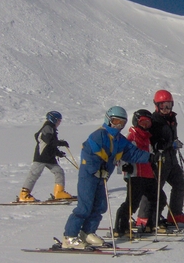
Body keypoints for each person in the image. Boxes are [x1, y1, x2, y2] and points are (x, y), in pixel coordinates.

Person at [61, 106, 153, 249]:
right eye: (116, 121)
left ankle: (88, 232)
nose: (118, 126)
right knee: (84, 207)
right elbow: (88, 153)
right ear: (108, 120)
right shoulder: (99, 135)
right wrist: (97, 169)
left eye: (122, 123)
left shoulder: (119, 140)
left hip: (102, 177)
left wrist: (151, 157)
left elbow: (132, 153)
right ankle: (69, 237)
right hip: (89, 176)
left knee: (100, 206)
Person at [142, 89, 184, 225]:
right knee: (155, 188)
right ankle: (145, 217)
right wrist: (171, 143)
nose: (166, 109)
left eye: (169, 105)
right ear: (156, 106)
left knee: (180, 183)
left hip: (171, 158)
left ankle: (175, 214)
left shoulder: (171, 119)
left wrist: (175, 143)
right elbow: (155, 143)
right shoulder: (153, 121)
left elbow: (170, 137)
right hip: (159, 160)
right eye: (163, 106)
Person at [113, 109, 161, 236]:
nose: (145, 126)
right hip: (135, 174)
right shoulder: (132, 137)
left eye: (148, 123)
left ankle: (149, 224)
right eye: (142, 122)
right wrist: (124, 166)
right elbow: (121, 155)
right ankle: (120, 227)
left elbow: (150, 152)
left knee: (155, 198)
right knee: (132, 203)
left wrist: (153, 164)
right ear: (136, 122)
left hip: (148, 173)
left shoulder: (147, 138)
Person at [18, 111, 72, 202]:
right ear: (53, 120)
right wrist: (61, 143)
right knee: (34, 174)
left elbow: (51, 145)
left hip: (50, 157)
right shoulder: (47, 127)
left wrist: (58, 153)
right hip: (41, 156)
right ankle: (24, 194)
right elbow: (49, 141)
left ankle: (59, 192)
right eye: (58, 120)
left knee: (59, 172)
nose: (59, 122)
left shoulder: (52, 128)